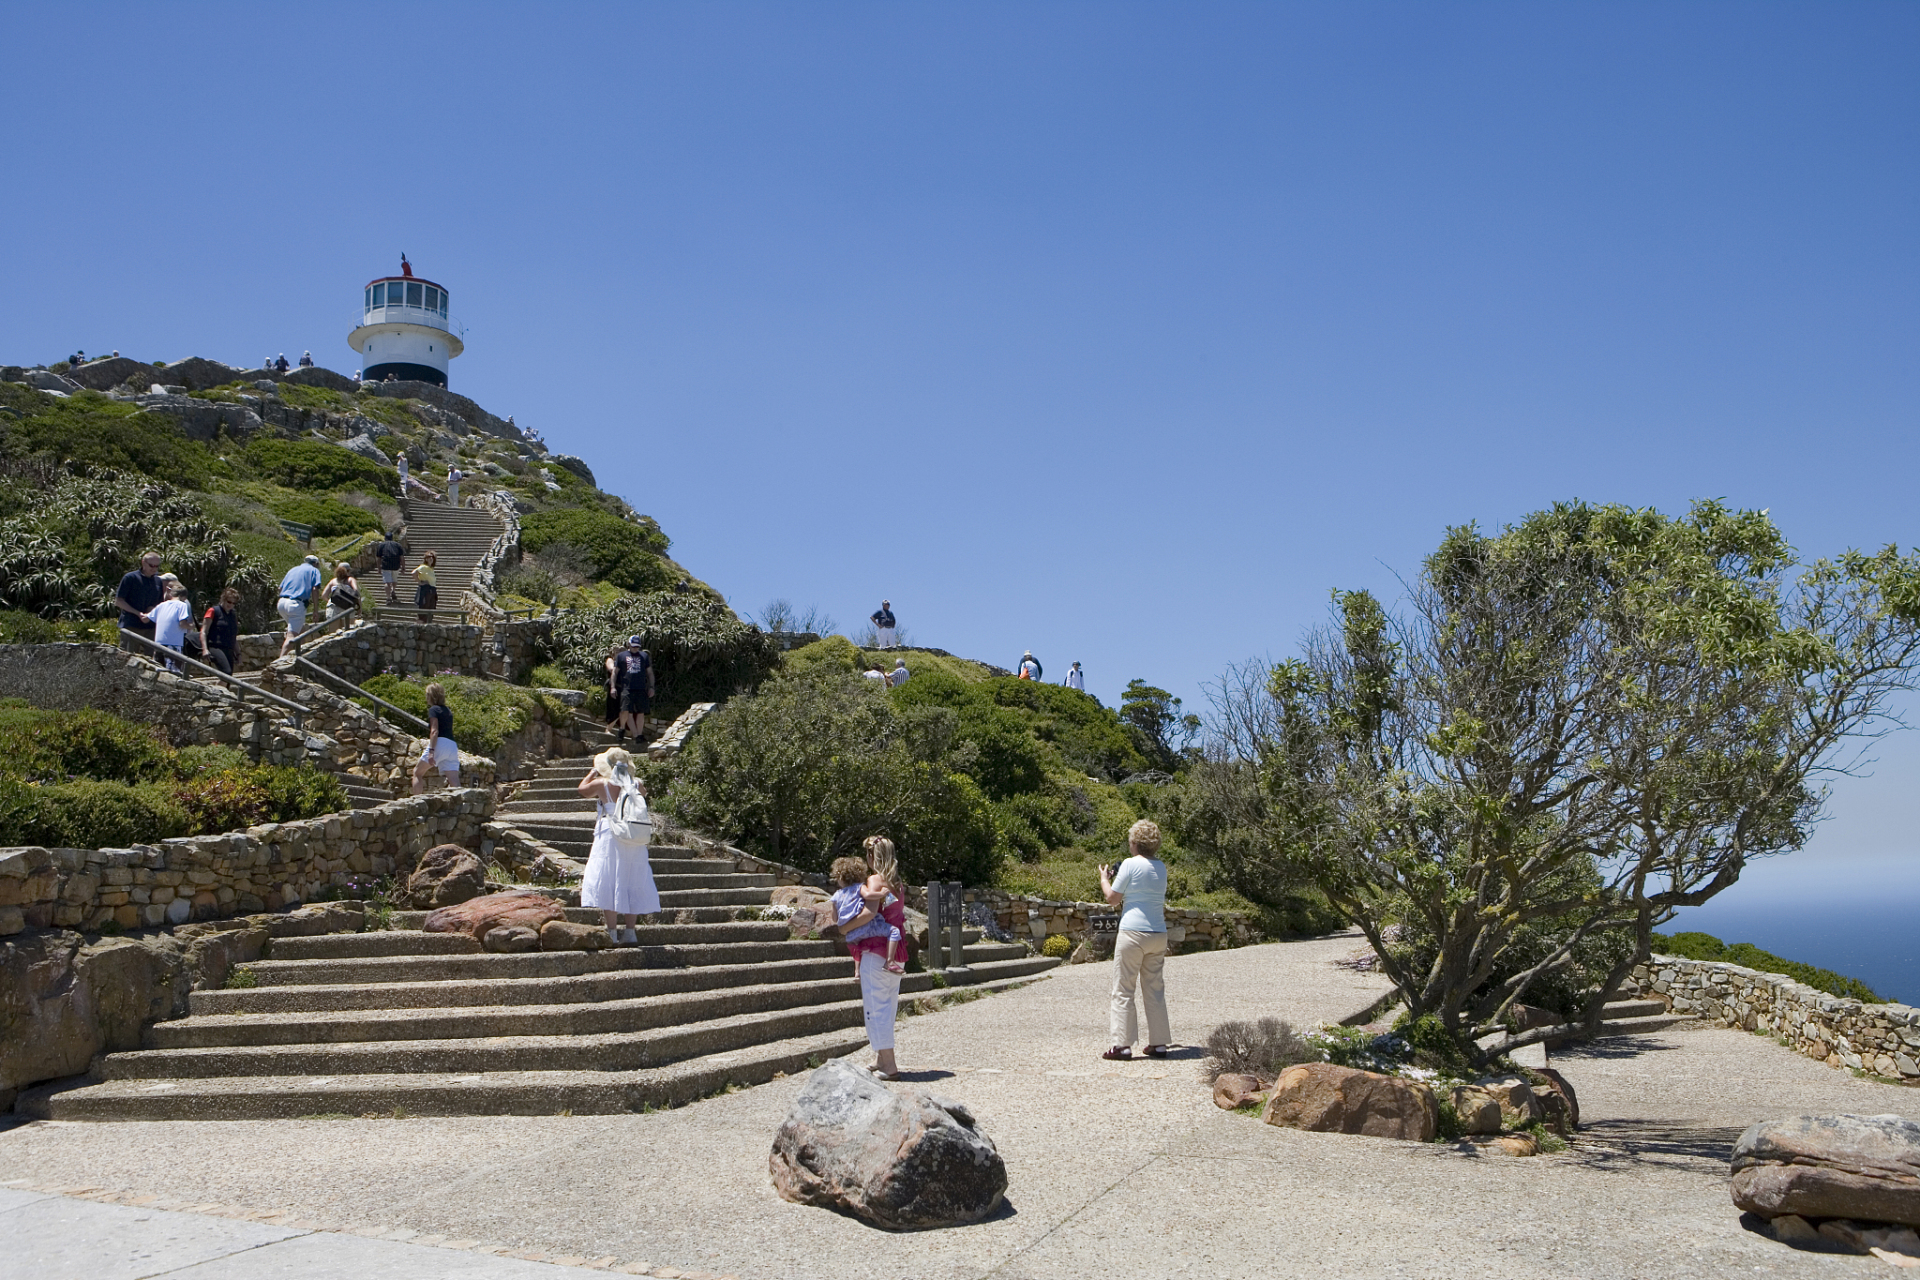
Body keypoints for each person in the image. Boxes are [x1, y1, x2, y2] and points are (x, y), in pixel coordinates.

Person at [1099, 819, 1171, 1061]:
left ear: (1135, 842)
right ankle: (1159, 1044)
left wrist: (1103, 878)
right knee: (1154, 988)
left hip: (1132, 932)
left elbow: (1112, 898)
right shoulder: (1161, 867)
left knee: (1123, 988)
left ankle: (1122, 1045)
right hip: (1158, 933)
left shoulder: (1129, 864)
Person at [577, 747, 660, 945]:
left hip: (610, 831)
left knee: (609, 877)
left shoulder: (601, 783)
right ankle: (630, 932)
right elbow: (643, 796)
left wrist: (592, 772)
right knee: (632, 877)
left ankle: (612, 932)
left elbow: (581, 789)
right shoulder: (637, 784)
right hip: (632, 833)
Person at [830, 854, 902, 1079]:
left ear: (872, 856)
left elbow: (869, 913)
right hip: (896, 948)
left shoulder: (873, 881)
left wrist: (843, 929)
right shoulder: (897, 882)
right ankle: (881, 1058)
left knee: (875, 1008)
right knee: (888, 1006)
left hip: (874, 949)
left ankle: (889, 1066)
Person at [412, 682, 461, 793]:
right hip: (452, 745)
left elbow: (434, 731)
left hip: (440, 743)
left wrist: (431, 751)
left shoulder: (433, 710)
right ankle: (462, 806)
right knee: (454, 780)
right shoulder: (448, 711)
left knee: (417, 773)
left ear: (431, 696)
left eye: (427, 695)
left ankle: (416, 803)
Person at [276, 554, 324, 657]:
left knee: (300, 632)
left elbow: (280, 588)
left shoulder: (293, 569)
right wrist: (316, 610)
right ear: (315, 563)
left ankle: (302, 657)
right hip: (296, 604)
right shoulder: (314, 570)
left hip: (281, 602)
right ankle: (278, 664)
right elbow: (315, 589)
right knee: (292, 635)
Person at [114, 551, 165, 644]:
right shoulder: (130, 578)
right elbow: (119, 601)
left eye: (157, 566)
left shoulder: (158, 581)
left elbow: (159, 603)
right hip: (131, 625)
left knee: (149, 657)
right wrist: (138, 613)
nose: (154, 569)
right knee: (128, 655)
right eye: (151, 565)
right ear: (143, 563)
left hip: (150, 627)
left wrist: (150, 612)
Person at [613, 637, 652, 743]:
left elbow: (649, 672)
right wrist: (613, 687)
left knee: (640, 712)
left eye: (637, 646)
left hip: (640, 688)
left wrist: (651, 687)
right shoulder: (621, 656)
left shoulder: (644, 656)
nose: (635, 648)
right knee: (625, 710)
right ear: (629, 645)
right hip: (627, 687)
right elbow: (615, 672)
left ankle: (639, 734)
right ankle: (622, 729)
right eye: (633, 646)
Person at [200, 587, 242, 676]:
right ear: (223, 599)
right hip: (215, 647)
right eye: (229, 602)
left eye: (233, 603)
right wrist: (205, 649)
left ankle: (220, 689)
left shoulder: (233, 614)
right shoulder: (213, 611)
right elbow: (203, 631)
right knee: (226, 673)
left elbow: (233, 636)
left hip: (228, 648)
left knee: (229, 677)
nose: (230, 605)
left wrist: (238, 653)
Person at [150, 585, 193, 671]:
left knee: (158, 670)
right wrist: (191, 626)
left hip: (159, 643)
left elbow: (147, 617)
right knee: (174, 672)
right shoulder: (182, 605)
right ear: (183, 597)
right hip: (174, 644)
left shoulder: (161, 605)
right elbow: (182, 624)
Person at [373, 532, 406, 604]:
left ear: (385, 538)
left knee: (387, 583)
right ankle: (393, 590)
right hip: (396, 565)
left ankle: (388, 598)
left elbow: (378, 558)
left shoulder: (381, 545)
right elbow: (402, 557)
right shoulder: (398, 545)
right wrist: (403, 567)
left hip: (386, 565)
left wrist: (378, 568)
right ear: (392, 538)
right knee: (394, 580)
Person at [412, 550, 438, 622]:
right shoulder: (423, 567)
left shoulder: (431, 569)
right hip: (425, 589)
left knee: (431, 607)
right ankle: (421, 623)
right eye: (429, 557)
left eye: (432, 557)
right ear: (426, 559)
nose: (431, 559)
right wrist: (419, 582)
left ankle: (428, 623)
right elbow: (414, 573)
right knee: (424, 606)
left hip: (432, 589)